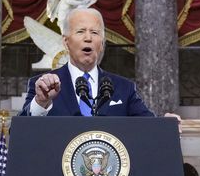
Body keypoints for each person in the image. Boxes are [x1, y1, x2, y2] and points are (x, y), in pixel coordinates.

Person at [21, 7, 155, 118]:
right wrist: (41, 102)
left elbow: (149, 126)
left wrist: (168, 124)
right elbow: (19, 132)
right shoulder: (43, 86)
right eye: (80, 31)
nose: (88, 38)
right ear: (66, 42)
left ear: (102, 44)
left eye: (95, 32)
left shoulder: (124, 88)